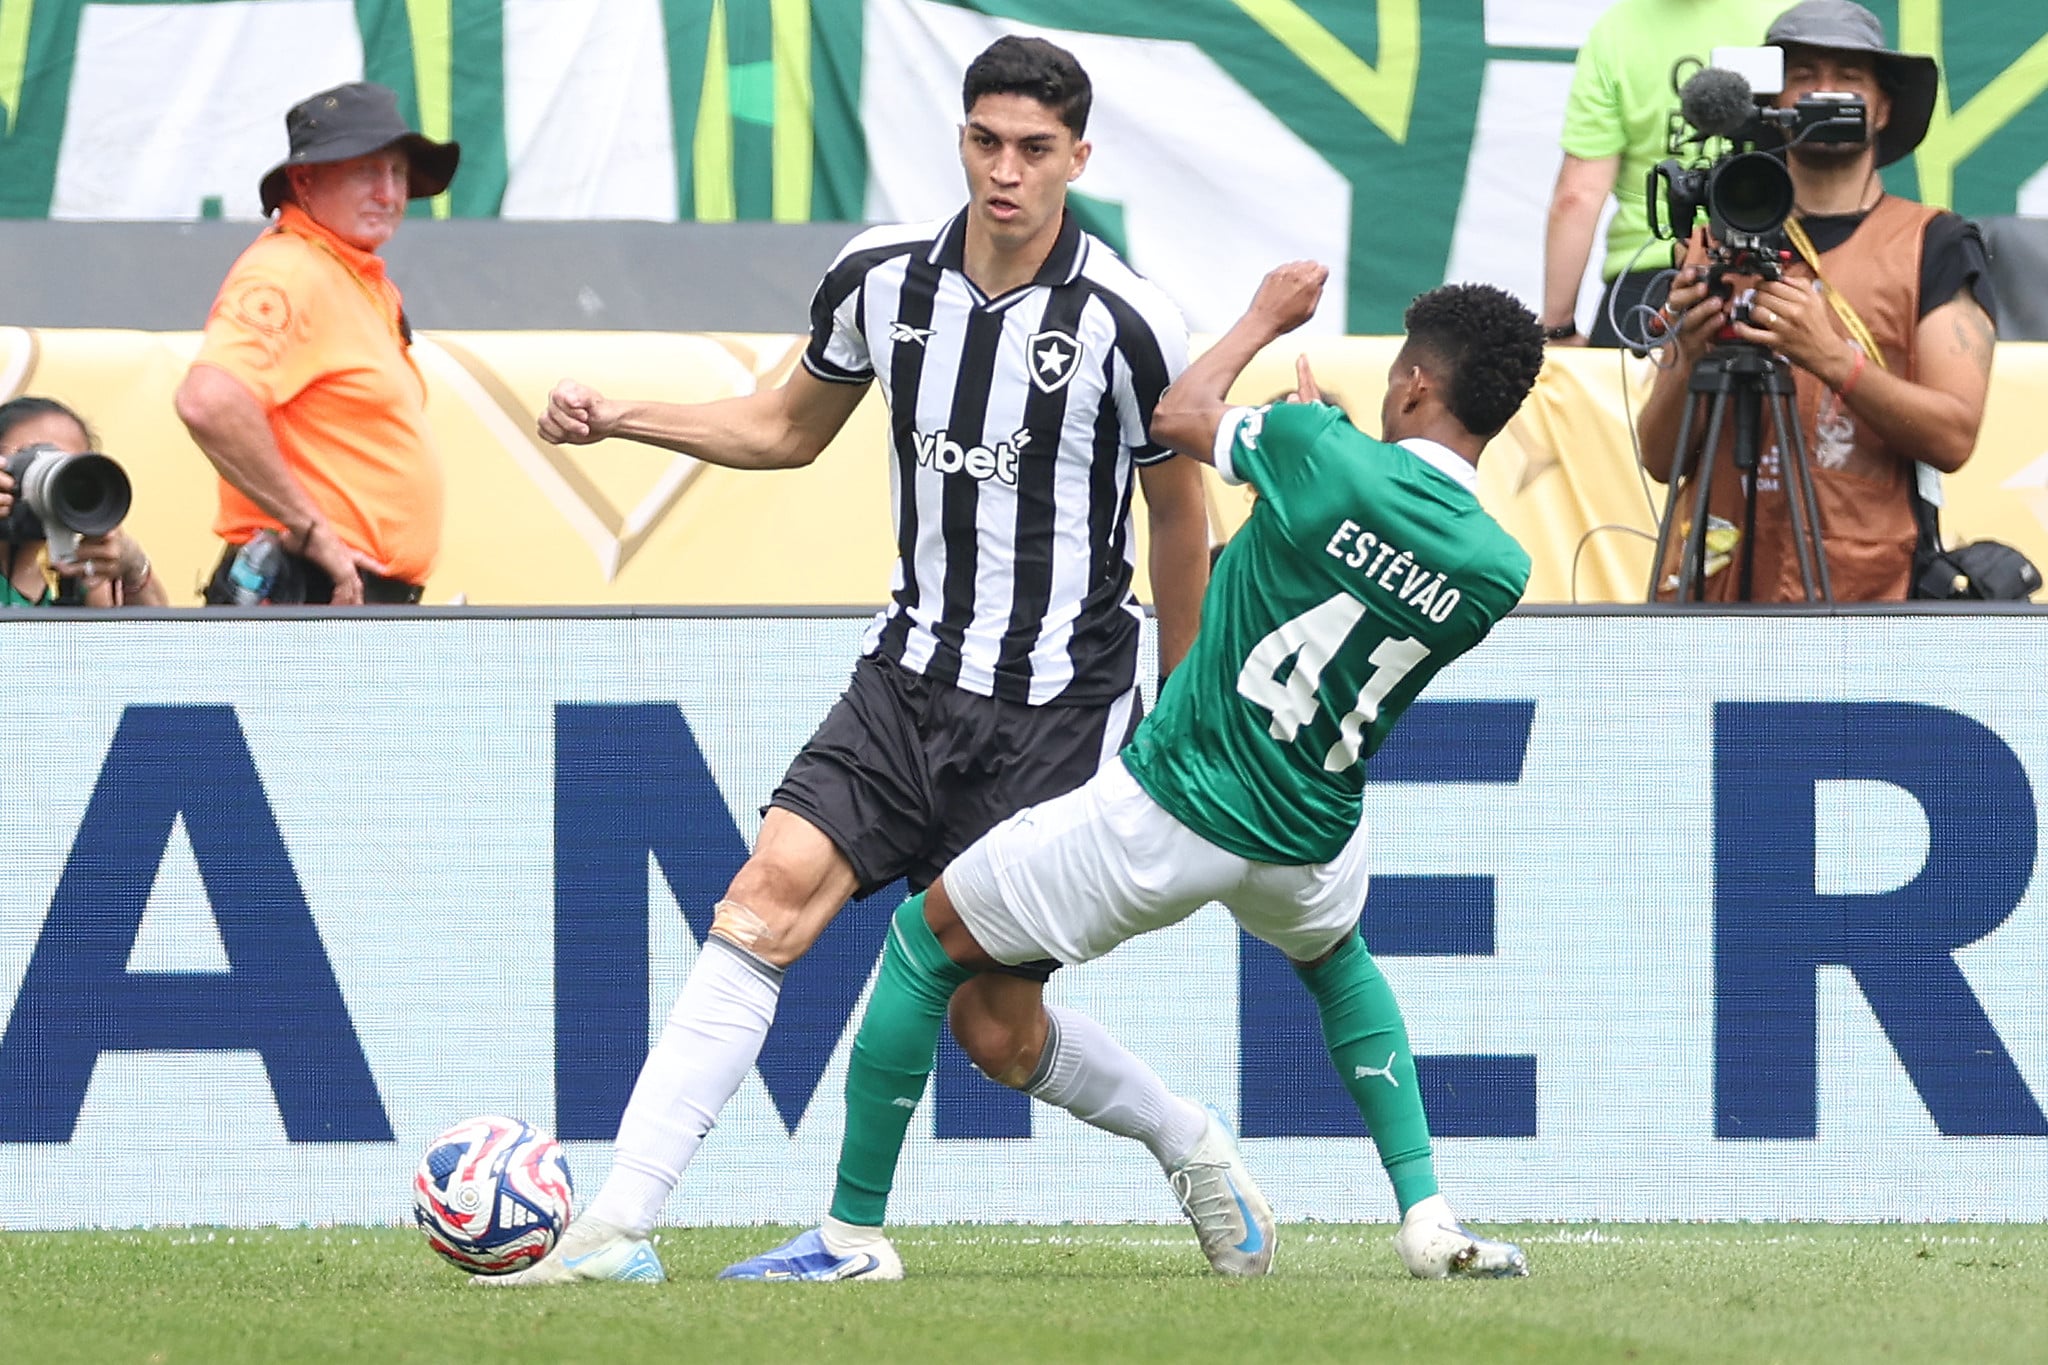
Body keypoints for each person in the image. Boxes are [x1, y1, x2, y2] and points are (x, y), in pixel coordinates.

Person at [491, 35, 1214, 1287]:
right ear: (961, 141)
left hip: (1052, 710)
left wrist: (1187, 701)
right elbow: (782, 429)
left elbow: (1178, 516)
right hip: (904, 680)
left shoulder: (1126, 321)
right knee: (762, 898)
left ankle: (1188, 1144)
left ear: (1077, 159)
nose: (1005, 172)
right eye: (985, 142)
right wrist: (621, 415)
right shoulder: (880, 280)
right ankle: (617, 1226)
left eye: (1034, 150)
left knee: (996, 1030)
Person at [721, 264, 1544, 1282]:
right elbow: (1350, 572)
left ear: (1414, 384)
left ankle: (849, 1239)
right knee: (1336, 968)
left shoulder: (1312, 451)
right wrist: (1313, 465)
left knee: (923, 940)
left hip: (1181, 803)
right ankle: (1426, 1217)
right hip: (1309, 833)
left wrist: (1262, 320)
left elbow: (1180, 412)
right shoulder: (1495, 568)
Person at [1637, 0, 1996, 602]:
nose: (1822, 92)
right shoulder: (1714, 243)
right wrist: (1690, 349)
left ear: (1883, 107)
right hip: (1713, 596)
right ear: (1770, 103)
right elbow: (1657, 456)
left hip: (1865, 596)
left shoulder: (1935, 243)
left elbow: (1954, 436)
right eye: (1801, 76)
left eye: (1849, 78)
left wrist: (1832, 359)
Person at [173, 81, 458, 606]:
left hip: (332, 597)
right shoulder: (290, 268)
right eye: (366, 171)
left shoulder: (342, 272)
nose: (390, 194)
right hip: (305, 595)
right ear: (304, 181)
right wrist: (312, 531)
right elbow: (208, 400)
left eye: (397, 173)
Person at [1541, 0, 1789, 347]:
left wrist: (1558, 329)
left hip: (1647, 286)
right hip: (1779, 275)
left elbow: (1577, 196)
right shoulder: (1792, 16)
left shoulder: (1617, 30)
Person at [0, 397, 167, 608]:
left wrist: (133, 566)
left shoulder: (84, 571)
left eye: (67, 466)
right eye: (30, 457)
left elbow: (154, 638)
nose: (53, 480)